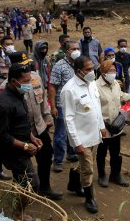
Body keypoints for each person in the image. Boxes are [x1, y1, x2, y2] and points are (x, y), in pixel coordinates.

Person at [0, 51, 63, 200]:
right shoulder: (6, 87)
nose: (28, 68)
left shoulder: (35, 77)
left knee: (46, 157)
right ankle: (23, 195)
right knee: (21, 168)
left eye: (28, 64)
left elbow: (43, 99)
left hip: (39, 127)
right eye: (23, 66)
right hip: (20, 133)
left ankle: (44, 187)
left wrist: (47, 117)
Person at [0, 61, 43, 220]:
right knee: (31, 184)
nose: (29, 84)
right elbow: (2, 136)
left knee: (23, 182)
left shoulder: (19, 94)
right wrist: (25, 146)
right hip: (14, 152)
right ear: (14, 81)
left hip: (23, 146)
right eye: (26, 81)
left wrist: (31, 137)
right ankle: (18, 213)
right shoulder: (3, 104)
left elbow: (21, 122)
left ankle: (18, 212)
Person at [61, 55, 106, 213]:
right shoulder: (69, 90)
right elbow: (69, 119)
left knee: (85, 164)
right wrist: (77, 142)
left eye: (92, 68)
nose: (92, 71)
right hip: (82, 137)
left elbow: (96, 106)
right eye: (88, 69)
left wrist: (101, 126)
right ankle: (89, 198)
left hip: (94, 134)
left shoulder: (92, 83)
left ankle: (73, 184)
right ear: (79, 71)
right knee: (88, 169)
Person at [96, 60, 130, 188]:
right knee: (102, 152)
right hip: (103, 126)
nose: (113, 73)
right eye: (110, 71)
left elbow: (122, 96)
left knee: (116, 152)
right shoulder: (95, 86)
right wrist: (99, 125)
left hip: (116, 125)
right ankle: (102, 175)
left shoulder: (115, 83)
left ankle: (115, 175)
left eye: (114, 71)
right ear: (103, 72)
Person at [49, 41, 80, 172]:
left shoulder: (79, 64)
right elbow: (52, 86)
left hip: (76, 104)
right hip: (62, 104)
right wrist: (53, 107)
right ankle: (58, 160)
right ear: (67, 51)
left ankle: (72, 153)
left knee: (73, 130)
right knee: (61, 133)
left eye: (78, 48)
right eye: (74, 49)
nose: (77, 51)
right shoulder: (59, 66)